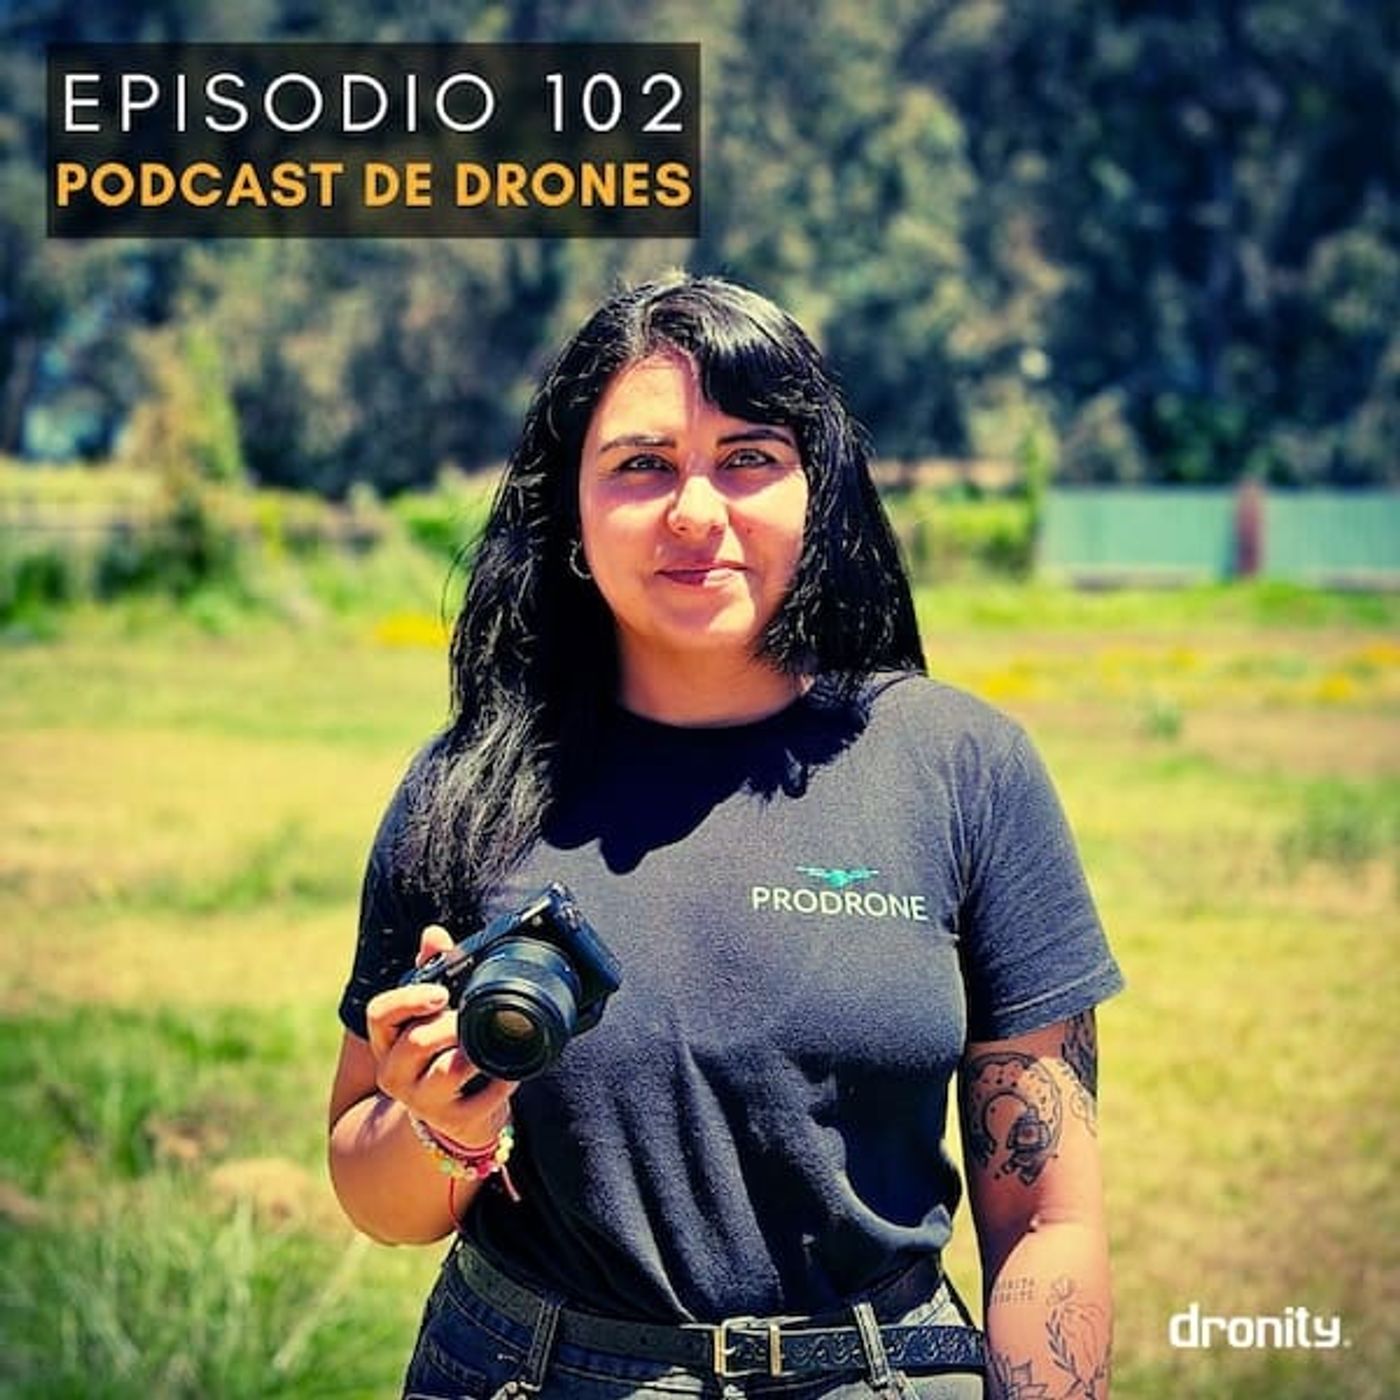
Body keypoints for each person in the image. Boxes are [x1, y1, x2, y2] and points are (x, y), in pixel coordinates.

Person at [328, 274, 1124, 1400]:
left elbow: (1048, 1212)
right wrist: (437, 1127)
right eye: (642, 465)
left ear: (820, 492)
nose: (695, 512)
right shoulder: (467, 786)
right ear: (571, 511)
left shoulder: (961, 767)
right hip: (527, 1372)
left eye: (748, 456)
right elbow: (370, 1193)